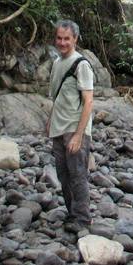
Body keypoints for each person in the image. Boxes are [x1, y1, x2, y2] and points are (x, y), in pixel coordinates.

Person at [47, 19, 94, 233]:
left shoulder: (81, 64)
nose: (62, 42)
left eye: (67, 38)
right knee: (63, 175)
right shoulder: (57, 63)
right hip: (59, 128)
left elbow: (89, 101)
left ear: (75, 39)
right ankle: (72, 214)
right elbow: (57, 97)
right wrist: (50, 120)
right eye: (59, 38)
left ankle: (83, 219)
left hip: (75, 129)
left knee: (77, 175)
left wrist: (78, 135)